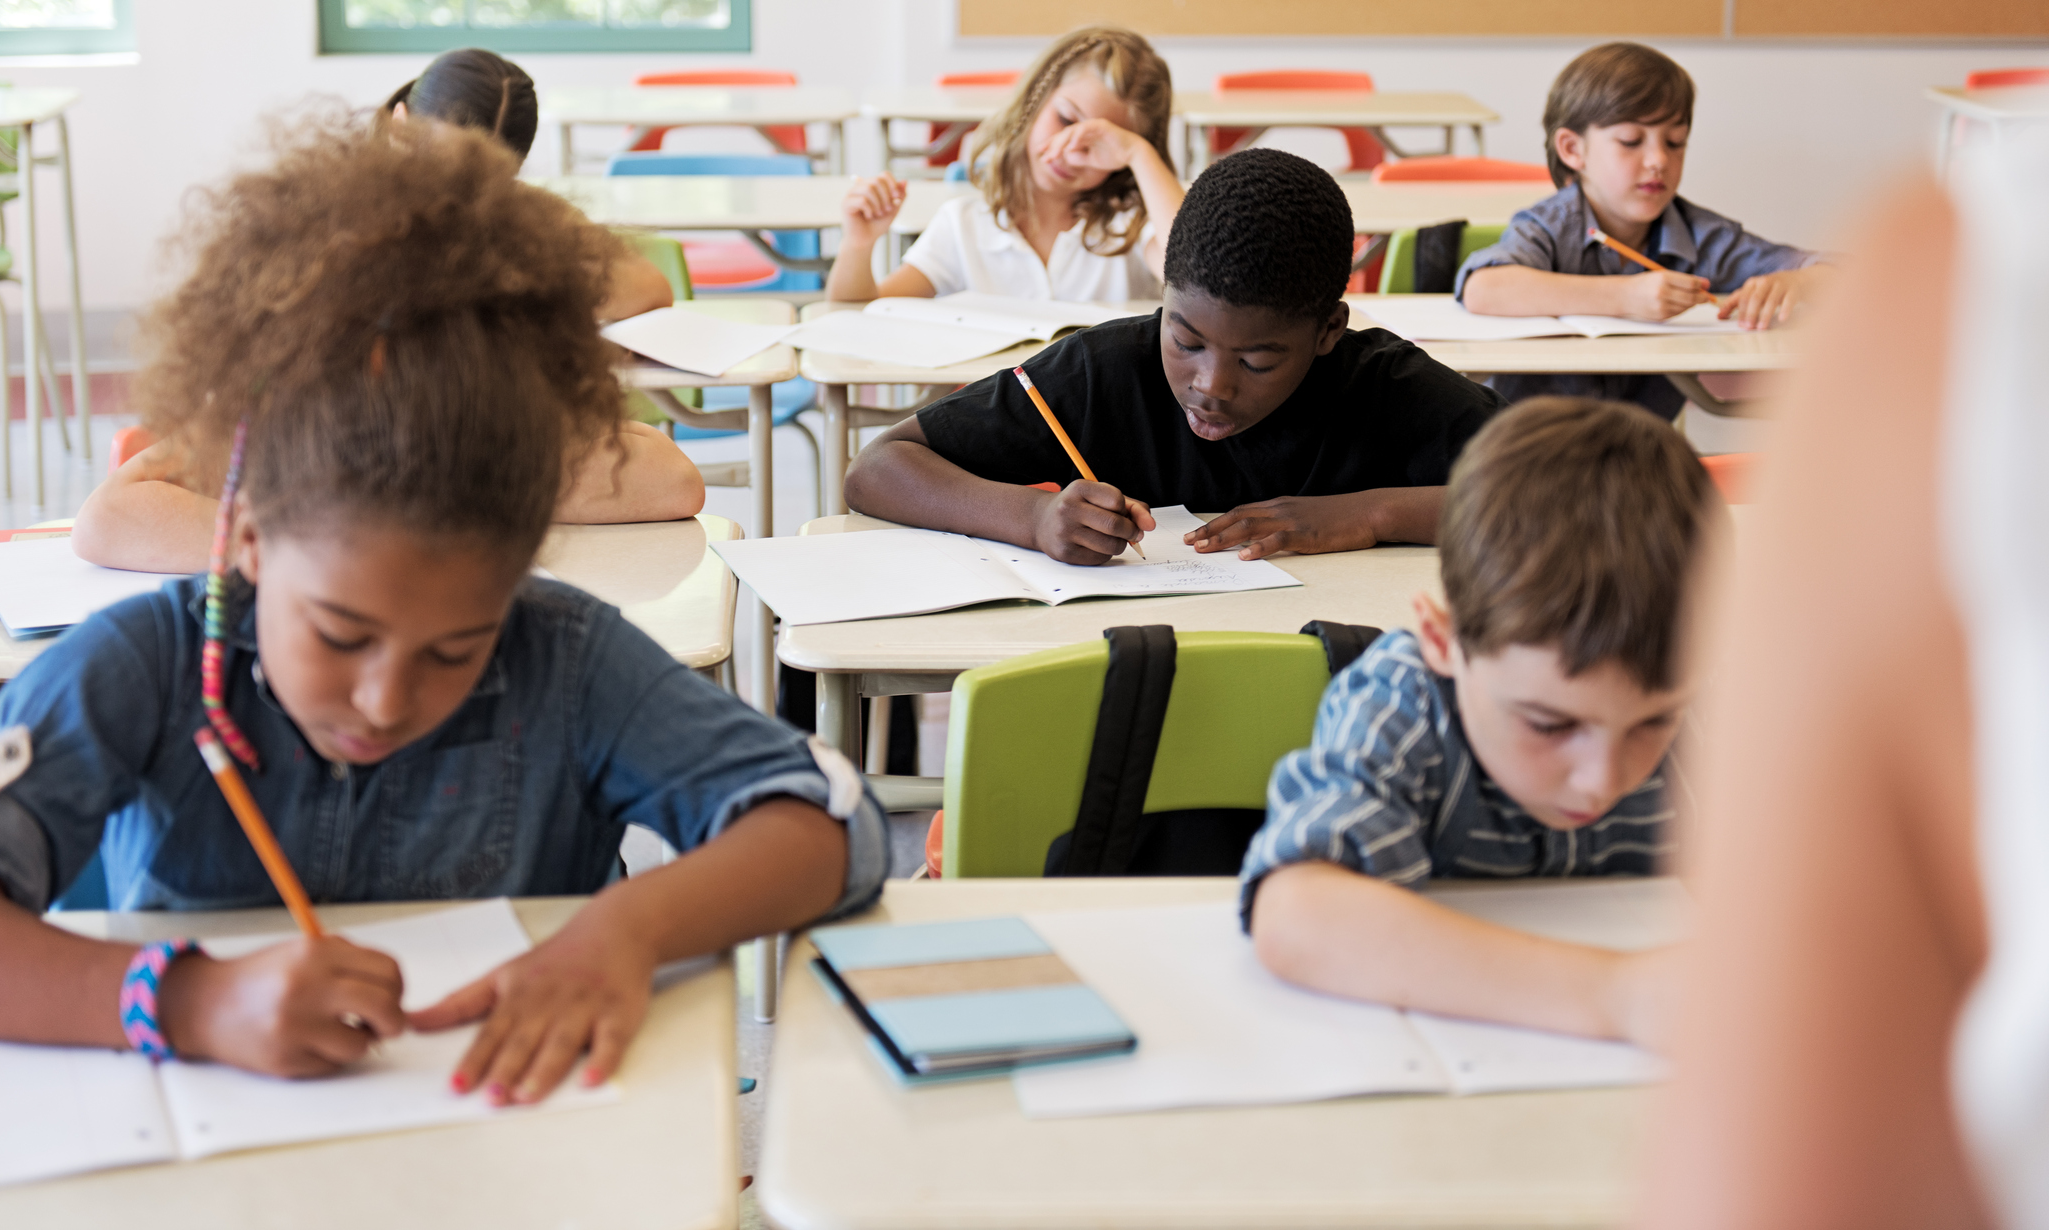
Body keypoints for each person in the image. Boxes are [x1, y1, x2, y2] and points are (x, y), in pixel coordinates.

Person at [0, 114, 886, 1103]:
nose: (386, 697)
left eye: (457, 648)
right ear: (246, 537)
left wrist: (624, 929)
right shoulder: (140, 666)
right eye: (340, 633)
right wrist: (189, 1003)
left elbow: (834, 825)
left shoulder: (565, 657)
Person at [1639, 157, 2036, 1225]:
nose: (1654, 162)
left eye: (1669, 140)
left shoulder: (1963, 290)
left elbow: (1787, 1175)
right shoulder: (1959, 293)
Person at [72, 67, 703, 575]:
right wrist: (318, 545)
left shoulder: (481, 421)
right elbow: (108, 519)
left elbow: (671, 481)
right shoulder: (296, 421)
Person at [1241, 395, 1714, 1048]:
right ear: (1443, 641)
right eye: (1549, 725)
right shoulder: (1404, 703)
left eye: (1653, 724)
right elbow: (1298, 917)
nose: (1602, 780)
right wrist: (1617, 996)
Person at [843, 148, 1502, 565]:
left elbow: (1560, 494)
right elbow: (876, 469)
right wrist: (1032, 517)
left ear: (1329, 330)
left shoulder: (1384, 388)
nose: (1211, 385)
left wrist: (1371, 513)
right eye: (1186, 342)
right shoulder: (1102, 372)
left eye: (1257, 361)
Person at [1455, 42, 1833, 420]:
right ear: (1572, 149)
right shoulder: (1551, 226)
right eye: (1631, 142)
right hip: (1531, 443)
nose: (1658, 160)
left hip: (1643, 448)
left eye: (1675, 142)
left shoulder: (1702, 236)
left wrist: (1796, 282)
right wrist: (1625, 297)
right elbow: (1484, 288)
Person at [825, 26, 1181, 304]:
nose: (1070, 151)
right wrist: (858, 245)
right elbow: (859, 314)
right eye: (1066, 119)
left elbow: (1190, 271)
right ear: (1034, 100)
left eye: (1101, 144)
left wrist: (1137, 153)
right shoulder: (964, 226)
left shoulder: (1133, 227)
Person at [384, 47, 673, 323]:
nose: (464, 191)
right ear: (399, 126)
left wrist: (530, 284)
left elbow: (651, 287)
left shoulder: (522, 209)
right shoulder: (364, 212)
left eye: (492, 176)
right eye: (449, 165)